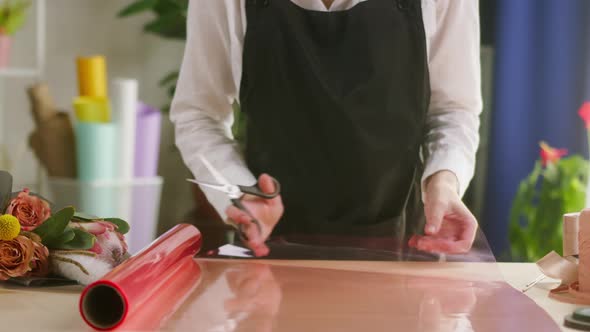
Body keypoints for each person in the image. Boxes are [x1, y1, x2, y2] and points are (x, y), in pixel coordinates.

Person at [171, 0, 482, 257]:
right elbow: (198, 114)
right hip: (268, 253)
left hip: (401, 247)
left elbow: (453, 109)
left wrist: (444, 180)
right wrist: (240, 192)